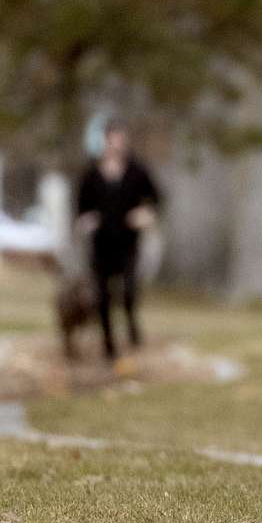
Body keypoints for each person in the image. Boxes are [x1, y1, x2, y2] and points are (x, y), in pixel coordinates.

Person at [76, 119, 161, 361]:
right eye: (112, 139)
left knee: (129, 290)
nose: (116, 144)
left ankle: (133, 328)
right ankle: (108, 344)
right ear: (104, 141)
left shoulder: (137, 171)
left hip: (128, 242)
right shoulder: (92, 174)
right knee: (102, 295)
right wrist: (85, 221)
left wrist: (146, 215)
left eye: (120, 139)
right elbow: (81, 208)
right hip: (101, 243)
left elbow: (156, 199)